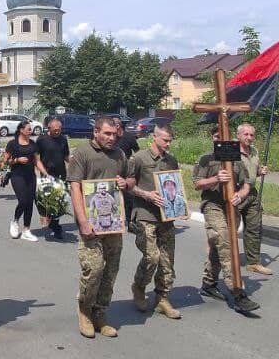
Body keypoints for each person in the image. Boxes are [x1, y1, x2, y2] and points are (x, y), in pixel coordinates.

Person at [67, 115, 133, 338]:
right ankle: (84, 310)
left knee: (110, 271)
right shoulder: (83, 153)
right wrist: (83, 221)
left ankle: (100, 313)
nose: (112, 138)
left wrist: (126, 183)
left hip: (114, 224)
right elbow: (74, 188)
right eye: (107, 133)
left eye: (114, 134)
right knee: (93, 269)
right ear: (95, 132)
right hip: (91, 225)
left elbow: (130, 179)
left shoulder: (120, 154)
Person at [193, 127, 261, 312]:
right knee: (225, 239)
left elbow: (247, 182)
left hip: (231, 207)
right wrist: (215, 178)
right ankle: (237, 291)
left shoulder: (234, 157)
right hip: (212, 204)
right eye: (216, 137)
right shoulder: (206, 158)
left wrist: (241, 194)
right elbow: (197, 184)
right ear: (213, 138)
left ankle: (208, 283)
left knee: (218, 244)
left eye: (222, 137)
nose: (219, 140)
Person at [127, 125, 182, 319]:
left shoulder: (171, 160)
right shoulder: (139, 158)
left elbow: (175, 184)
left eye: (170, 140)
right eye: (165, 140)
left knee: (167, 260)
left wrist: (180, 206)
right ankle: (139, 287)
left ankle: (162, 298)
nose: (168, 143)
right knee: (152, 256)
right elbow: (129, 185)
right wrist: (147, 195)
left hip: (166, 217)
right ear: (154, 137)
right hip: (145, 214)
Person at [236, 123, 273, 275]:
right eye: (246, 134)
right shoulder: (230, 151)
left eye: (252, 135)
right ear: (238, 135)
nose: (249, 138)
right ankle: (223, 259)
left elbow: (252, 172)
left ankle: (253, 262)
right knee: (229, 230)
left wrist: (260, 171)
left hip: (252, 193)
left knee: (254, 229)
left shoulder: (255, 151)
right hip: (235, 194)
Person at [3, 120, 45, 242]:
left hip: (30, 176)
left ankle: (26, 230)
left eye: (30, 129)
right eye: (28, 129)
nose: (30, 131)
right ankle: (15, 221)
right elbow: (5, 161)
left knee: (30, 203)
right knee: (23, 200)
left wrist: (45, 173)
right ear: (21, 130)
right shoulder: (13, 144)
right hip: (17, 175)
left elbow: (37, 161)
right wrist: (16, 160)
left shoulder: (33, 144)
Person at [35, 116, 70, 238]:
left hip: (61, 174)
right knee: (48, 202)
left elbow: (66, 156)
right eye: (55, 130)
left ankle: (56, 227)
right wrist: (44, 172)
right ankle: (51, 220)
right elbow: (36, 158)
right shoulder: (41, 139)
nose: (58, 131)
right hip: (47, 174)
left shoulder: (63, 139)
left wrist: (75, 164)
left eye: (59, 129)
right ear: (49, 128)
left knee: (60, 202)